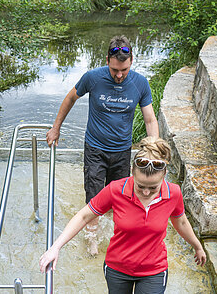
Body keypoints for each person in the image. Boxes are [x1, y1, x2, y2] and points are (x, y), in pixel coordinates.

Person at [39, 136, 206, 294]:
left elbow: (181, 222)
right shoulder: (115, 190)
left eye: (153, 188)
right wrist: (55, 247)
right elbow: (84, 216)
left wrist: (198, 246)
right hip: (117, 268)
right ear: (132, 171)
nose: (146, 192)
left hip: (154, 270)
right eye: (140, 186)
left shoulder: (173, 193)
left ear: (164, 175)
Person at [46, 35, 159, 255]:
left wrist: (153, 149)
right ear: (107, 59)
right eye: (115, 69)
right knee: (94, 194)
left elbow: (150, 120)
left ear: (131, 61)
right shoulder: (93, 78)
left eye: (123, 70)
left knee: (122, 198)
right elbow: (70, 98)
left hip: (122, 150)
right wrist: (56, 127)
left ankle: (117, 238)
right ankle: (92, 238)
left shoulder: (140, 83)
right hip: (95, 148)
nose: (119, 75)